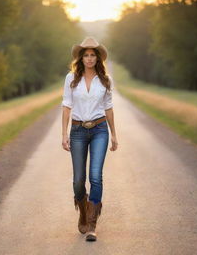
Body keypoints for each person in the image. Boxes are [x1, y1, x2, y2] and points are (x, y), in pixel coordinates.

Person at [61, 37, 118, 242]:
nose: (90, 58)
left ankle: (92, 224)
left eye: (93, 55)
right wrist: (64, 134)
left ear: (98, 58)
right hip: (77, 130)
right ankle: (83, 211)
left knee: (95, 176)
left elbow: (109, 107)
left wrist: (113, 134)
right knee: (78, 180)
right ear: (81, 57)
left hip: (99, 129)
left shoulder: (105, 80)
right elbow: (66, 105)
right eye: (86, 55)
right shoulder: (71, 78)